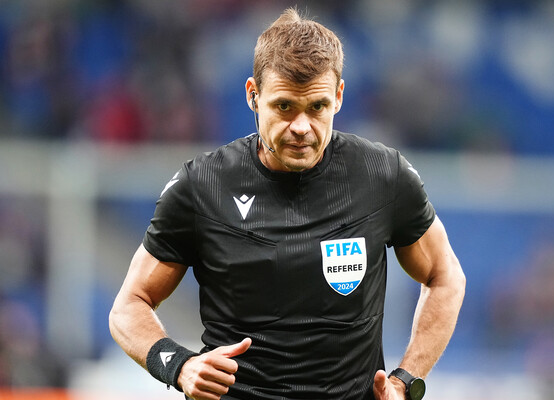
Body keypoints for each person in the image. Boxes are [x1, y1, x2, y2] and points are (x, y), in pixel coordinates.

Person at [109, 8, 465, 400]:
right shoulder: (202, 185)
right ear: (253, 95)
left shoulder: (382, 175)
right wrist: (178, 365)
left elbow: (446, 276)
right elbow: (129, 306)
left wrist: (405, 381)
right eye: (284, 107)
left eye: (317, 107)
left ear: (338, 97)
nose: (301, 126)